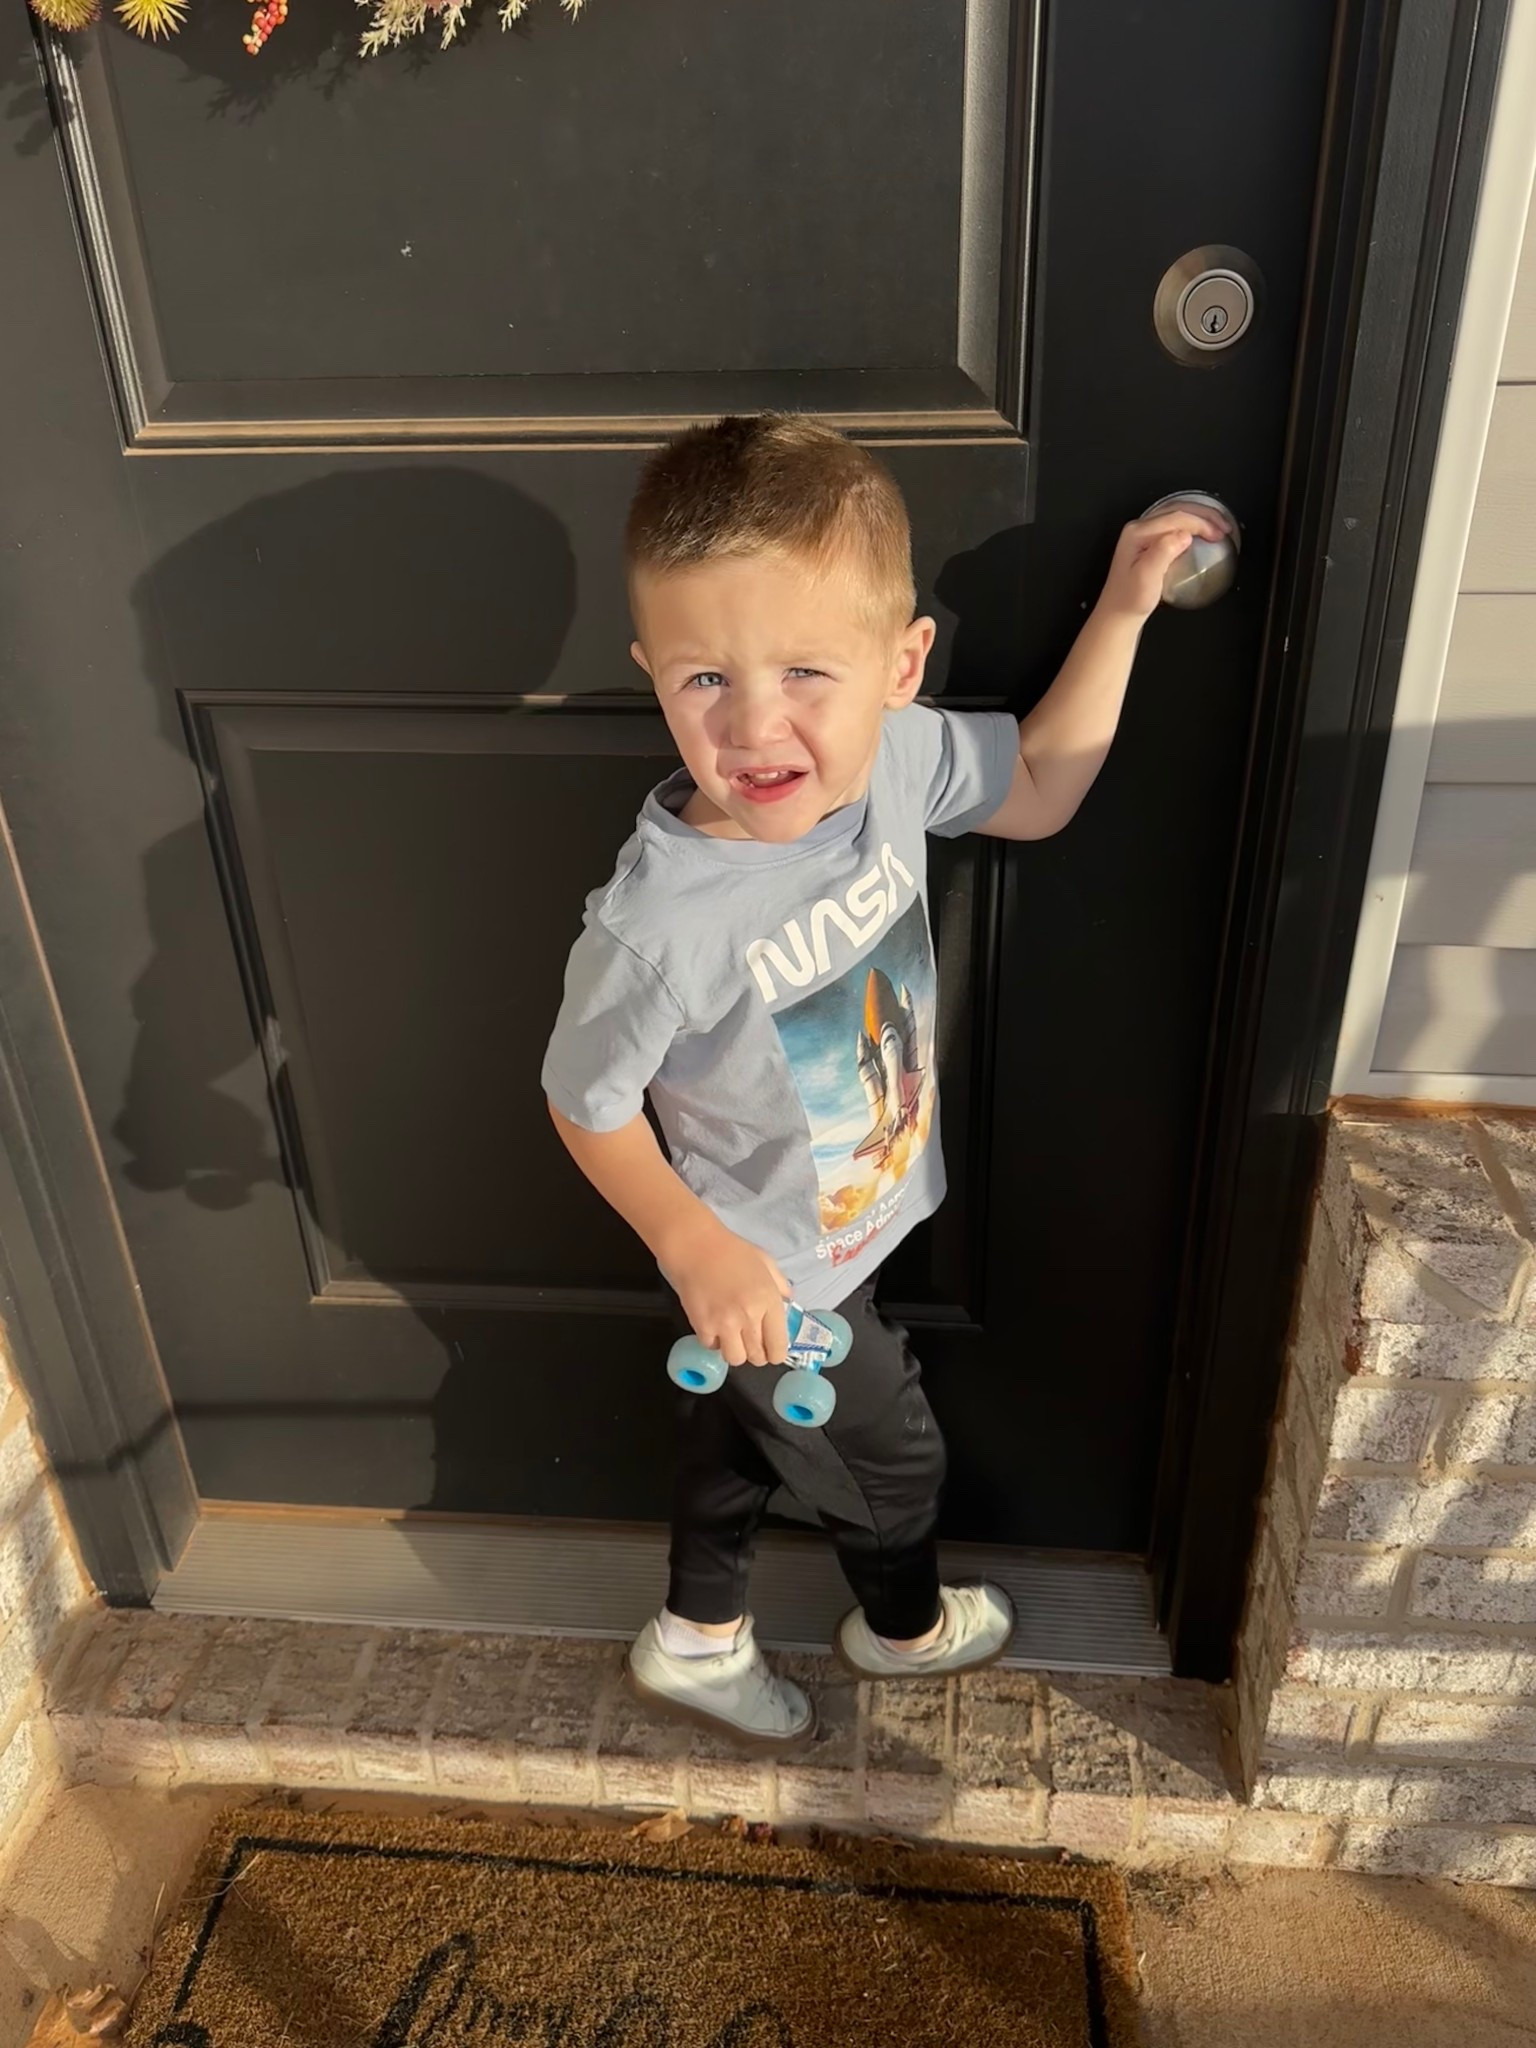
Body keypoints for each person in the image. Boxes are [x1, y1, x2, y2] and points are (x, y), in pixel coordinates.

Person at [541, 414, 1223, 1745]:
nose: (755, 726)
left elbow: (1033, 784)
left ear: (901, 666)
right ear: (650, 675)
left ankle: (695, 1638)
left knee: (744, 1443)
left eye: (805, 669)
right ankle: (901, 1629)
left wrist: (1131, 607)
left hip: (851, 1221)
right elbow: (584, 1098)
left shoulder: (899, 761)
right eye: (702, 681)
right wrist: (695, 1246)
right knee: (890, 1460)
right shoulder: (658, 924)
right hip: (776, 1271)